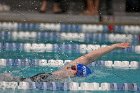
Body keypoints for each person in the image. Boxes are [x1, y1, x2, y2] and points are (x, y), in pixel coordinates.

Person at [1, 43, 130, 82]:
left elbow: (87, 59)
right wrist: (113, 47)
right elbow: (88, 57)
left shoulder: (67, 76)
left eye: (75, 68)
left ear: (75, 73)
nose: (73, 65)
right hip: (39, 79)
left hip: (38, 80)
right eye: (75, 65)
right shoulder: (67, 73)